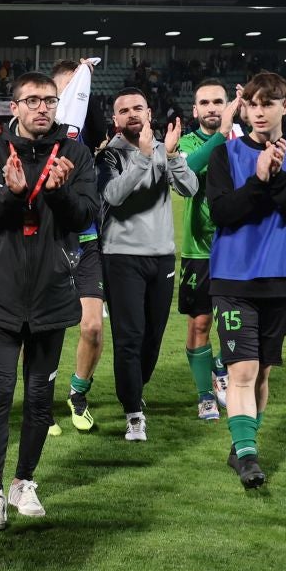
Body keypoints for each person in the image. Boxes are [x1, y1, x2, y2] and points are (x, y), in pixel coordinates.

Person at [0, 71, 97, 530]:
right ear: (15, 106)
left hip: (51, 294)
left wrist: (59, 195)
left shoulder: (76, 154)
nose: (42, 108)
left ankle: (25, 481)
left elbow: (86, 216)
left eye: (49, 100)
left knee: (40, 396)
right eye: (32, 100)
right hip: (0, 294)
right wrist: (12, 194)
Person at [202, 71, 286, 489]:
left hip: (280, 278)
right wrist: (258, 179)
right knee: (243, 370)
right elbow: (222, 212)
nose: (258, 111)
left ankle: (241, 445)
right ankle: (249, 457)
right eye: (252, 104)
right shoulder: (225, 154)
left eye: (268, 103)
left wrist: (278, 176)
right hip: (233, 278)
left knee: (264, 373)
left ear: (285, 107)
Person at [97, 88, 197, 441]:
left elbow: (190, 188)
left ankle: (135, 389)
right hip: (121, 257)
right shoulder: (108, 155)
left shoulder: (163, 151)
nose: (131, 114)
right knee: (129, 337)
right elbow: (112, 195)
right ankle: (133, 412)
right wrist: (141, 156)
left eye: (137, 107)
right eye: (123, 110)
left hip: (162, 256)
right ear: (116, 120)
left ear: (149, 113)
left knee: (152, 338)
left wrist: (170, 156)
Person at [51, 59, 108, 433]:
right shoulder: (33, 134)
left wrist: (84, 79)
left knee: (92, 328)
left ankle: (77, 392)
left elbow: (100, 129)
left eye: (76, 90)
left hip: (86, 243)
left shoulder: (88, 132)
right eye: (61, 93)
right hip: (49, 243)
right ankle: (41, 402)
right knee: (45, 330)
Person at [176, 81, 234, 422]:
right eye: (205, 103)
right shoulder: (186, 143)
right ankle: (204, 395)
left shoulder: (243, 141)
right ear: (195, 110)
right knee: (200, 324)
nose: (212, 108)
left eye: (218, 102)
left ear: (228, 105)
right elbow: (186, 175)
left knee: (234, 325)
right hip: (199, 251)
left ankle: (220, 369)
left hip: (236, 250)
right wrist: (221, 134)